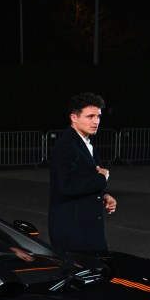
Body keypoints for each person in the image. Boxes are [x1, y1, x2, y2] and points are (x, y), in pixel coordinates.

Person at [47, 92, 117, 253]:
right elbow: (67, 186)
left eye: (98, 116)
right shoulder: (67, 145)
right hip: (73, 232)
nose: (96, 121)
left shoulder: (83, 142)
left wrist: (103, 195)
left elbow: (82, 179)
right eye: (90, 116)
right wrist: (102, 179)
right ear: (74, 117)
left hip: (84, 227)